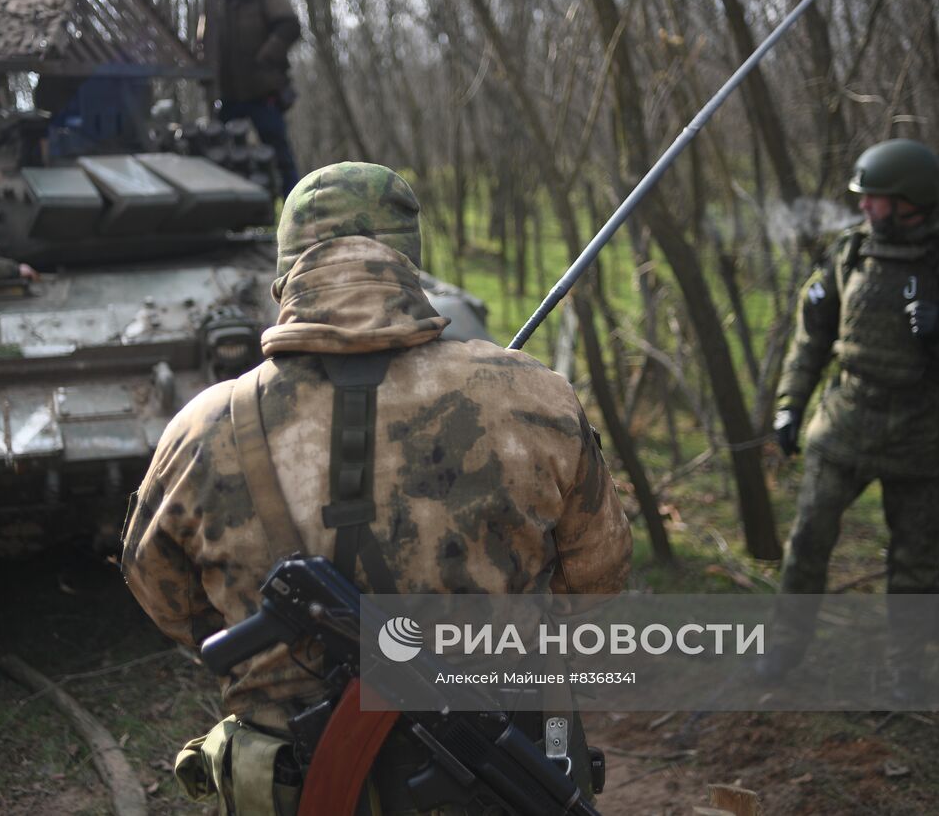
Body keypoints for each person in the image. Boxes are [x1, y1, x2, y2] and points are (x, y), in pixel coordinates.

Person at [121, 162, 632, 813]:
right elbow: (597, 581)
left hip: (298, 780)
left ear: (286, 272)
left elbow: (165, 598)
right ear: (409, 262)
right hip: (506, 758)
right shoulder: (532, 396)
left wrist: (284, 665)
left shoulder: (201, 429)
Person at [764, 139, 939, 685]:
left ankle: (903, 673)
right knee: (807, 544)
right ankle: (784, 651)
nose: (863, 207)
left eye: (875, 199)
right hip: (845, 422)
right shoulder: (851, 254)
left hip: (924, 436)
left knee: (913, 564)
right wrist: (791, 405)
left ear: (909, 200)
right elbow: (811, 337)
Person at [211, 0, 302, 193]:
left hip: (264, 92)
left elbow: (289, 25)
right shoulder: (216, 1)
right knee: (222, 155)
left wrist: (266, 57)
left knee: (280, 157)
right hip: (230, 95)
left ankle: (294, 215)